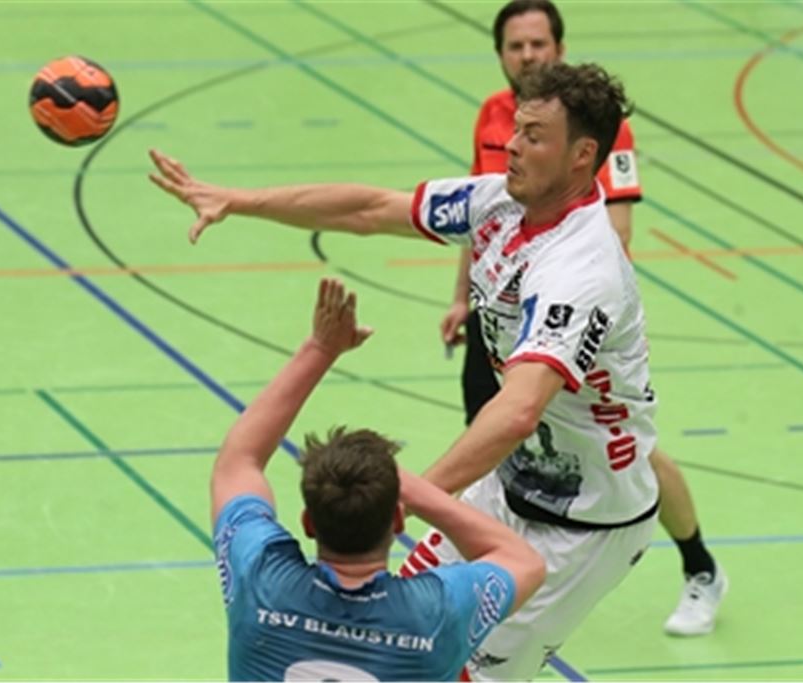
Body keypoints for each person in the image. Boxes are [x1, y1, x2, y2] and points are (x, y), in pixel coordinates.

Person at [150, 61, 664, 679]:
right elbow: (370, 209)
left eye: (533, 136)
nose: (512, 145)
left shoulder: (581, 270)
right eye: (516, 128)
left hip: (583, 525)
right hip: (507, 489)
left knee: (454, 669)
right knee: (395, 640)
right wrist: (239, 201)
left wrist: (408, 495)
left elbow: (519, 409)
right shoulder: (499, 200)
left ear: (582, 155)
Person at [437, 0, 725, 639]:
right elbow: (484, 217)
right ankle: (503, 583)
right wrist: (465, 296)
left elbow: (615, 232)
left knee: (633, 456)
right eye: (515, 46)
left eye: (539, 44)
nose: (528, 56)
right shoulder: (496, 117)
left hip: (568, 321)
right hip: (501, 314)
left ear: (559, 49)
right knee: (497, 450)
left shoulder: (602, 132)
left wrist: (563, 308)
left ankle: (699, 565)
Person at [209, 276, 545, 681]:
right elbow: (521, 560)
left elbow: (238, 462)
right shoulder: (435, 612)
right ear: (398, 521)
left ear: (309, 523)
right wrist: (413, 487)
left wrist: (320, 348)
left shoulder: (260, 579)